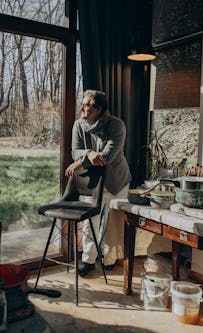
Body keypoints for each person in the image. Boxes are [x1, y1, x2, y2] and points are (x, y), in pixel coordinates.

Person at [65, 89, 132, 276]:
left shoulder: (116, 125)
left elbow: (107, 157)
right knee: (89, 220)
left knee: (112, 222)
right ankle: (88, 260)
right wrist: (88, 154)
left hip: (115, 179)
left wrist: (80, 161)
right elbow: (75, 150)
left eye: (87, 105)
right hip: (92, 181)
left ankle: (108, 258)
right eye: (83, 103)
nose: (82, 108)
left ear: (98, 109)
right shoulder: (78, 125)